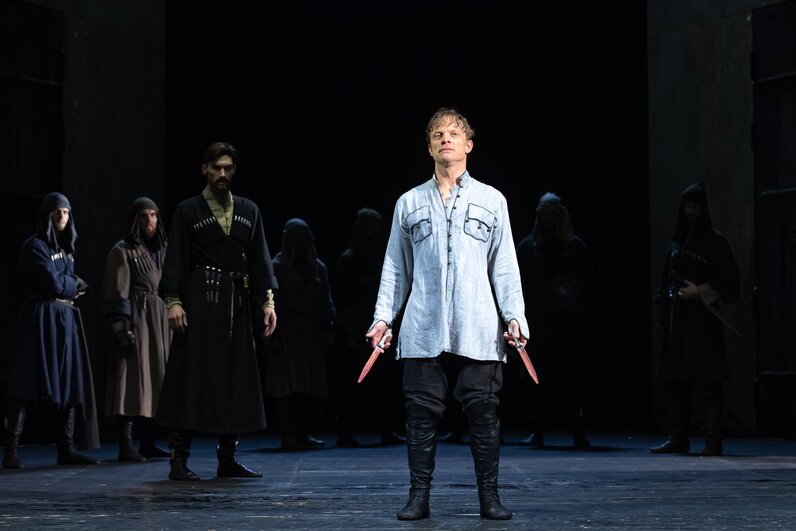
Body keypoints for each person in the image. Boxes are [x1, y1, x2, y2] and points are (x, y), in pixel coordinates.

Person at [366, 107, 529, 520]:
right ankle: (418, 497)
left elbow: (505, 265)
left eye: (454, 133)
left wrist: (514, 316)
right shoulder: (409, 202)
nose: (445, 139)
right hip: (423, 324)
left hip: (478, 325)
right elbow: (395, 267)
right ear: (429, 147)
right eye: (437, 134)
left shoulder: (492, 200)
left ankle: (489, 497)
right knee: (420, 414)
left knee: (483, 411)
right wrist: (383, 318)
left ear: (468, 145)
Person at [156, 142, 278, 481]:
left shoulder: (249, 210)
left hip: (236, 304)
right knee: (189, 375)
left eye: (228, 168)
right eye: (217, 168)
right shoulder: (188, 210)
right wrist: (173, 302)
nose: (223, 174)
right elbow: (176, 257)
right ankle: (178, 460)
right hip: (200, 302)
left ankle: (228, 458)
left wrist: (267, 302)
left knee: (234, 377)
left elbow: (260, 259)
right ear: (205, 169)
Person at [2, 192, 100, 469]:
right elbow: (54, 283)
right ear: (47, 214)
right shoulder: (34, 246)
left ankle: (66, 448)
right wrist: (74, 283)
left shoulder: (67, 249)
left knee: (70, 381)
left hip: (65, 318)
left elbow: (65, 282)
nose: (62, 217)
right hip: (42, 317)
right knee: (27, 381)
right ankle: (11, 450)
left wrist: (69, 283)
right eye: (57, 211)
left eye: (66, 212)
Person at [650, 181, 740, 457]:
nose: (691, 212)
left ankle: (714, 442)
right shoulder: (678, 240)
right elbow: (668, 275)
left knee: (708, 381)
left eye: (695, 206)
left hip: (702, 322)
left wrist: (700, 291)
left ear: (703, 208)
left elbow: (730, 280)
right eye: (687, 206)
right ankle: (679, 438)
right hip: (677, 320)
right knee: (675, 380)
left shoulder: (715, 241)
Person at [516, 192, 594, 449]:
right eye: (544, 215)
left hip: (568, 325)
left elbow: (586, 283)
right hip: (538, 324)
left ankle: (578, 432)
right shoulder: (528, 247)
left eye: (553, 215)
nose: (548, 220)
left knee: (572, 380)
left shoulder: (575, 247)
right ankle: (537, 432)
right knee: (536, 379)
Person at [101, 197, 172, 462]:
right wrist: (122, 329)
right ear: (135, 219)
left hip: (159, 321)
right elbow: (116, 291)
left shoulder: (163, 250)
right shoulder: (122, 251)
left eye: (153, 215)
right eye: (144, 215)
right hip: (137, 320)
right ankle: (125, 443)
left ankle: (148, 442)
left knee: (154, 381)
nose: (149, 221)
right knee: (130, 381)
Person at [332, 207, 404, 447]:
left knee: (385, 380)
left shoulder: (384, 257)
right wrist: (350, 330)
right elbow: (344, 298)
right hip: (359, 327)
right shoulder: (350, 258)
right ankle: (345, 431)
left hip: (382, 326)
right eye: (372, 224)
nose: (377, 229)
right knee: (352, 380)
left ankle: (386, 429)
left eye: (379, 223)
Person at [263, 218, 335, 450]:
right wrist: (272, 335)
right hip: (287, 331)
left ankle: (303, 432)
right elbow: (270, 300)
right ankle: (288, 434)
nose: (302, 240)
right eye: (297, 236)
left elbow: (326, 299)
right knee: (286, 385)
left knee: (308, 385)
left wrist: (329, 325)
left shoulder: (318, 267)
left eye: (305, 235)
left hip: (310, 331)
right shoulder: (277, 266)